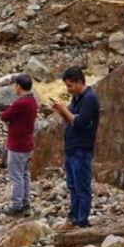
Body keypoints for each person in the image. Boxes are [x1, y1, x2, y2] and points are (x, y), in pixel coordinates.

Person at [48, 67, 100, 228]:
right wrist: (61, 111)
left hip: (82, 149)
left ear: (79, 82)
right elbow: (70, 120)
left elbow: (81, 122)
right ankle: (73, 217)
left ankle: (82, 221)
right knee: (72, 185)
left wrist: (65, 110)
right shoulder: (77, 98)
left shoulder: (89, 99)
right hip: (72, 148)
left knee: (82, 186)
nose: (68, 89)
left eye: (70, 86)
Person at [0, 74, 39, 215]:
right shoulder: (33, 101)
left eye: (16, 85)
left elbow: (5, 116)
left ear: (19, 87)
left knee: (16, 176)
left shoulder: (20, 103)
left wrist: (7, 111)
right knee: (24, 174)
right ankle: (25, 201)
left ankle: (16, 204)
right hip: (28, 144)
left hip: (17, 145)